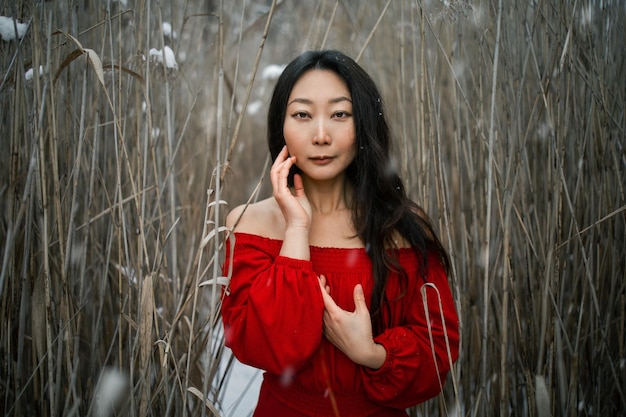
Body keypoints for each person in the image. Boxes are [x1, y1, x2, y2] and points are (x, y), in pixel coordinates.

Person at [220, 50, 459, 417]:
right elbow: (264, 348)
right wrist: (297, 231)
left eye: (340, 114)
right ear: (279, 125)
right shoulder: (249, 224)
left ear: (363, 124)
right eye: (302, 114)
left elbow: (440, 349)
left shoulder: (400, 226)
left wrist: (371, 354)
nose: (320, 135)